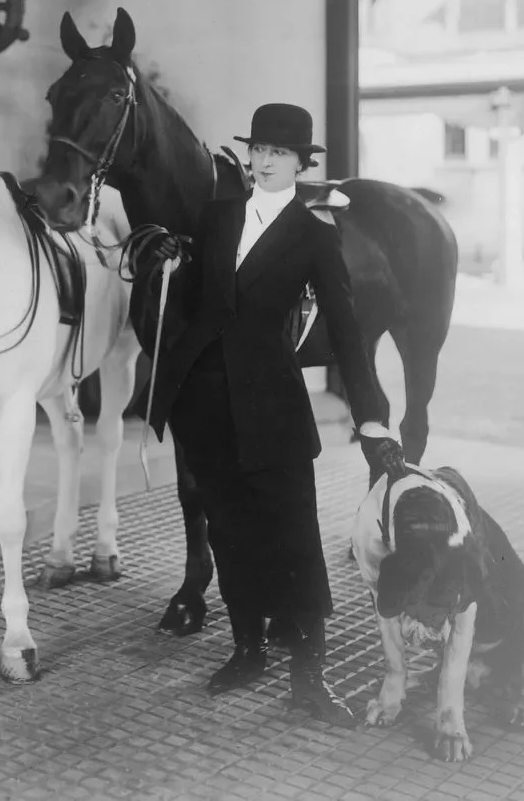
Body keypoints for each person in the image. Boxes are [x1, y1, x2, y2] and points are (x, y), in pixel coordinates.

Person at [141, 103, 404, 727]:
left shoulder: (316, 235)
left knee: (293, 539)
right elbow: (199, 299)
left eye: (279, 153)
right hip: (206, 401)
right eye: (258, 149)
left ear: (299, 164)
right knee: (228, 530)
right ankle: (247, 650)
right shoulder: (217, 217)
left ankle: (309, 678)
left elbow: (345, 328)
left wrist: (369, 412)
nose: (264, 161)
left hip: (271, 407)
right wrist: (171, 263)